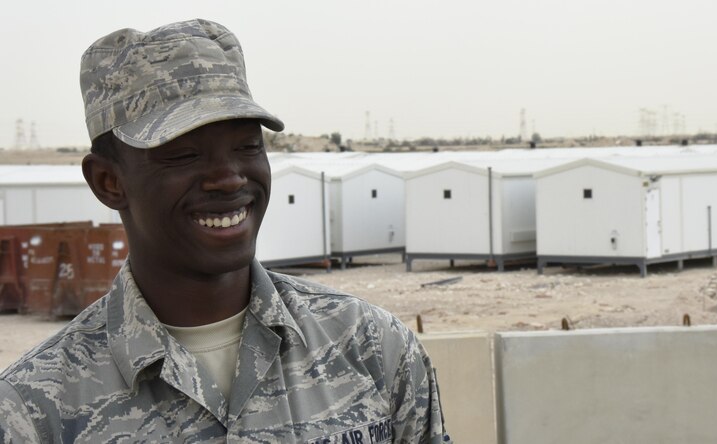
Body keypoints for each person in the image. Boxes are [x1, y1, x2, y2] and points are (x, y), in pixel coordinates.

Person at [0, 19, 449, 443]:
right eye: (184, 155)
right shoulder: (36, 409)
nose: (229, 178)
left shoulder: (372, 347)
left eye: (247, 146)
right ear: (109, 182)